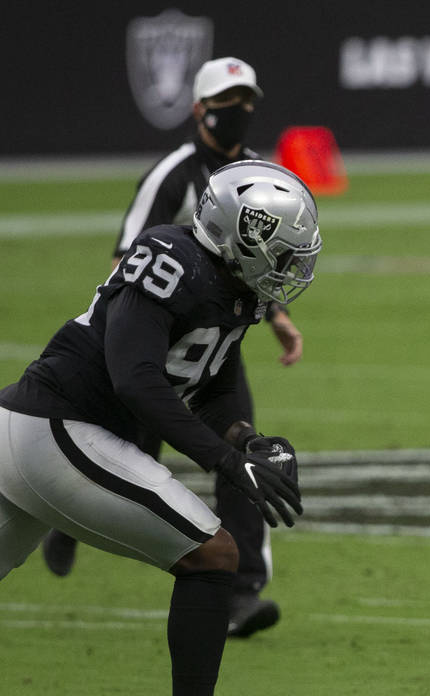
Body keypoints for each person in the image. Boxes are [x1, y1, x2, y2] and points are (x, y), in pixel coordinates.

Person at [0, 161, 320, 696]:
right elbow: (136, 379)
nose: (291, 266)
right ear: (245, 235)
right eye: (285, 252)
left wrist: (243, 438)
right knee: (214, 554)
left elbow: (206, 391)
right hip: (53, 427)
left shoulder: (235, 289)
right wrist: (221, 461)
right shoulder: (170, 258)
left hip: (29, 433)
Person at [41, 56, 304, 639]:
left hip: (219, 338)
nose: (240, 110)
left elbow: (262, 263)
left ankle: (241, 591)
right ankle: (64, 511)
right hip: (157, 333)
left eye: (247, 100)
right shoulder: (173, 174)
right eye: (228, 100)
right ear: (200, 107)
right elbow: (126, 259)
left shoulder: (259, 173)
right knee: (132, 451)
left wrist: (276, 315)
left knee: (243, 446)